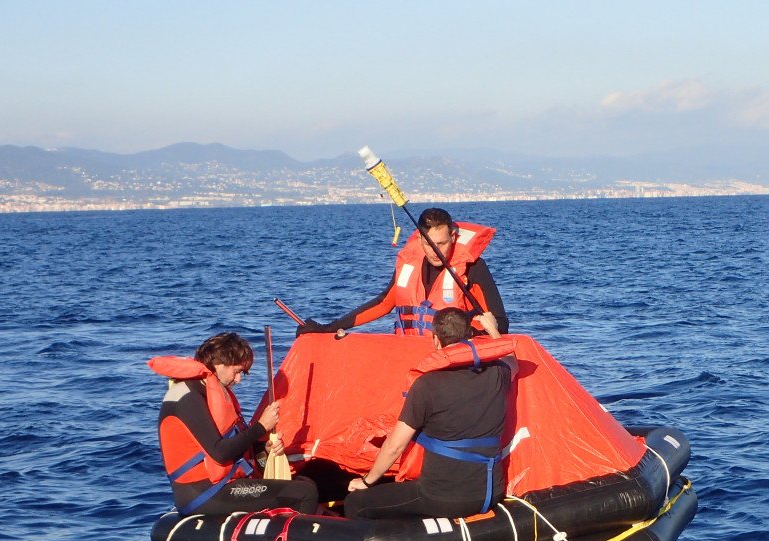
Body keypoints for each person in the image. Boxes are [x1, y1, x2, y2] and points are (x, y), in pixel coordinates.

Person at [344, 308, 515, 520]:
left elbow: (394, 447)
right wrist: (492, 330)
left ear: (435, 340)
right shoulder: (497, 373)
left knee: (355, 503)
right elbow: (511, 359)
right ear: (471, 335)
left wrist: (366, 481)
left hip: (441, 497)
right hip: (491, 493)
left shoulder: (426, 385)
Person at [149, 332, 318, 516]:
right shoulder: (186, 397)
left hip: (224, 484)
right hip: (203, 494)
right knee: (303, 494)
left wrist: (265, 451)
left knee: (307, 482)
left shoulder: (213, 392)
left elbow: (238, 450)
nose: (238, 380)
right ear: (218, 364)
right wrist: (261, 426)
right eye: (237, 372)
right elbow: (220, 453)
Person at [297, 207, 509, 338]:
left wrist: (459, 336)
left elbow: (500, 322)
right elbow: (384, 303)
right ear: (419, 240)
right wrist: (329, 328)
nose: (436, 251)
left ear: (453, 237)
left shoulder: (473, 267)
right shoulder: (410, 264)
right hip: (409, 350)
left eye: (442, 243)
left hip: (453, 359)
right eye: (429, 244)